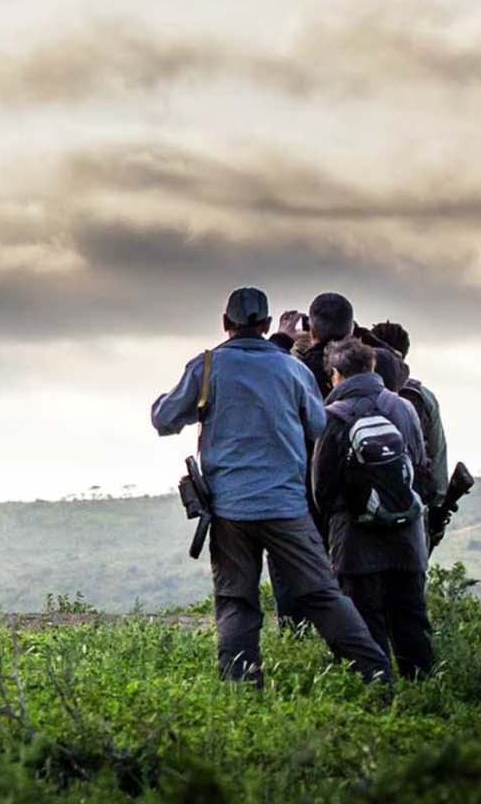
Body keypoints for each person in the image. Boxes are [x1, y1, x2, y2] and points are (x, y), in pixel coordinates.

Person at [152, 286, 394, 686]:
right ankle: (376, 673)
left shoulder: (207, 367)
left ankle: (243, 690)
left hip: (230, 511)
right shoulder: (293, 369)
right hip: (286, 506)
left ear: (225, 323)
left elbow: (164, 419)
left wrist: (171, 401)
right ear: (266, 325)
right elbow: (318, 426)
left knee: (236, 602)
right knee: (322, 594)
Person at [310, 338, 438, 679]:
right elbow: (419, 465)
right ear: (371, 368)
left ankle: (377, 695)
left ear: (336, 375)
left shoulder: (331, 417)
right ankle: (424, 692)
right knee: (411, 618)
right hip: (406, 534)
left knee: (364, 624)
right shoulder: (403, 408)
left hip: (354, 539)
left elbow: (322, 488)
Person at [370, 320, 447, 493]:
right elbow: (438, 453)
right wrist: (437, 497)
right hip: (412, 496)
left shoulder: (354, 392)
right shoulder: (423, 396)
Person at [289, 292, 408, 397]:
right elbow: (401, 366)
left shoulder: (300, 370)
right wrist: (362, 333)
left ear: (312, 330)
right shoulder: (379, 361)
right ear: (351, 327)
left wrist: (283, 339)